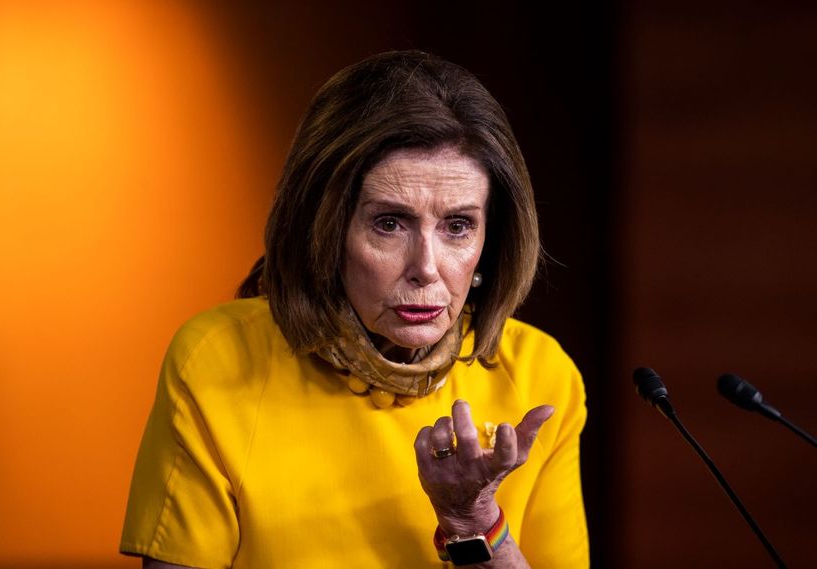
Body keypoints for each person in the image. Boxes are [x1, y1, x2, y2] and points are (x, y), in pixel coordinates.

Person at [120, 50, 588, 568]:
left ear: (489, 240)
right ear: (325, 228)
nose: (426, 268)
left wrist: (475, 523)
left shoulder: (543, 375)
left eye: (457, 226)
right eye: (389, 223)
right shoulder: (216, 359)